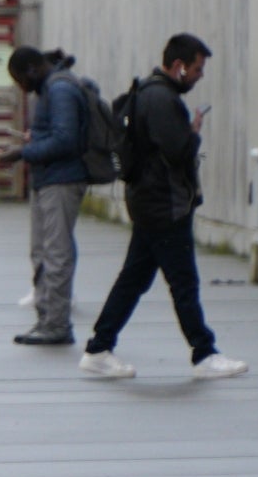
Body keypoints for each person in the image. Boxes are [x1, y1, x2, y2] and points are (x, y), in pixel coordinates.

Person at [79, 32, 248, 380]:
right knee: (183, 282)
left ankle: (98, 348)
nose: (200, 76)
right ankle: (204, 353)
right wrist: (194, 131)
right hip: (165, 206)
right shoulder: (163, 99)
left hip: (148, 202)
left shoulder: (148, 93)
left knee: (134, 279)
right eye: (198, 69)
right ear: (178, 66)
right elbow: (177, 151)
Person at [0, 45, 83, 345]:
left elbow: (65, 140)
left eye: (20, 80)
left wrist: (23, 151)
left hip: (61, 182)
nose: (22, 88)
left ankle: (57, 324)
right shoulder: (49, 89)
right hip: (47, 180)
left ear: (32, 69)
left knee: (56, 254)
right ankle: (47, 319)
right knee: (43, 251)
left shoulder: (59, 90)